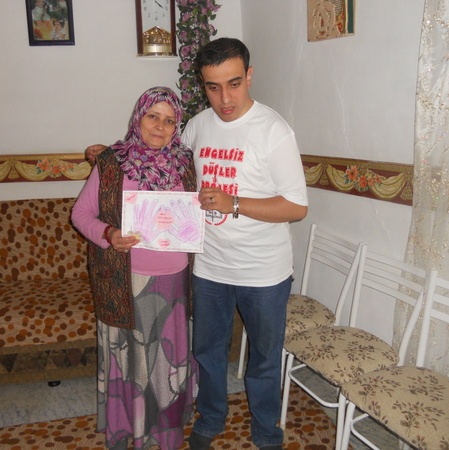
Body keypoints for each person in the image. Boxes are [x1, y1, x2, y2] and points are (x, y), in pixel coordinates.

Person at [182, 38, 308, 450]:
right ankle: (211, 417)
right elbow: (170, 171)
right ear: (203, 85)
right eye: (213, 87)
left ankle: (267, 430)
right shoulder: (197, 126)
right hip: (210, 267)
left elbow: (296, 206)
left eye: (234, 84)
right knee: (208, 352)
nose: (225, 98)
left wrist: (233, 203)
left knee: (265, 360)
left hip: (264, 271)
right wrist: (114, 156)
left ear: (249, 76)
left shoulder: (274, 130)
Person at [72, 87, 198, 450]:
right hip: (125, 280)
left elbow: (192, 214)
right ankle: (130, 427)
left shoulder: (185, 163)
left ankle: (165, 430)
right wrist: (108, 234)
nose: (160, 126)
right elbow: (80, 214)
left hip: (175, 280)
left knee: (166, 361)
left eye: (169, 120)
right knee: (133, 361)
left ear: (177, 126)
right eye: (152, 116)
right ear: (138, 118)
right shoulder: (112, 163)